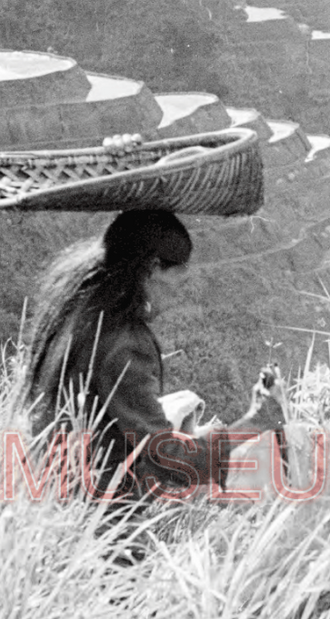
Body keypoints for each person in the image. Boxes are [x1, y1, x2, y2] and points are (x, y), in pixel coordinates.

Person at [26, 209, 284, 503]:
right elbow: (172, 462)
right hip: (96, 516)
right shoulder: (124, 345)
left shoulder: (80, 309)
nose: (177, 297)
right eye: (177, 282)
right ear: (151, 269)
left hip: (47, 485)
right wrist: (255, 422)